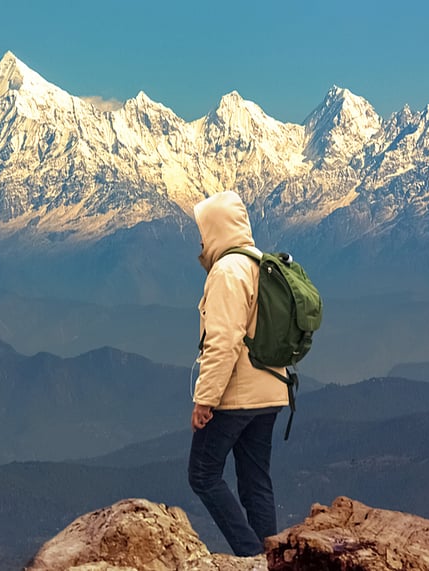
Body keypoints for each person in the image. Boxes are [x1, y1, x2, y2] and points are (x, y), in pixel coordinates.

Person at [187, 190, 289, 557]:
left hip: (236, 396)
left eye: (203, 231)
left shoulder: (227, 271)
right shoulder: (261, 264)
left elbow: (223, 342)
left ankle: (251, 557)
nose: (201, 241)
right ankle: (270, 560)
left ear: (217, 228)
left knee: (203, 475)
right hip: (272, 391)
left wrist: (205, 400)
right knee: (255, 482)